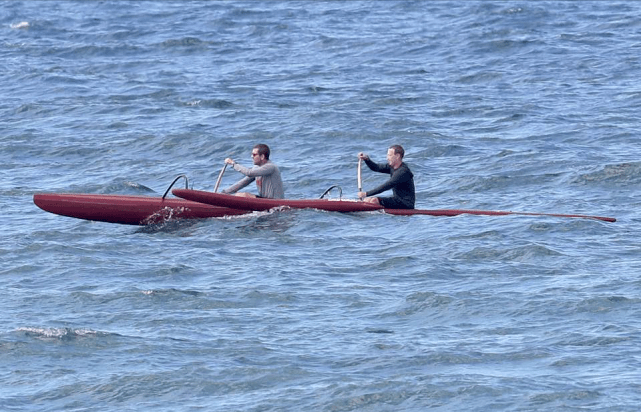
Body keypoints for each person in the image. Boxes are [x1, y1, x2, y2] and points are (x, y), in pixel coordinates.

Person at [357, 145, 415, 209]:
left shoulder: (403, 172)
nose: (387, 158)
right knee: (368, 200)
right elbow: (376, 168)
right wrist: (367, 159)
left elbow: (386, 186)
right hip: (397, 200)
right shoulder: (392, 167)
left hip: (406, 204)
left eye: (390, 155)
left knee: (373, 200)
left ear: (397, 156)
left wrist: (366, 194)